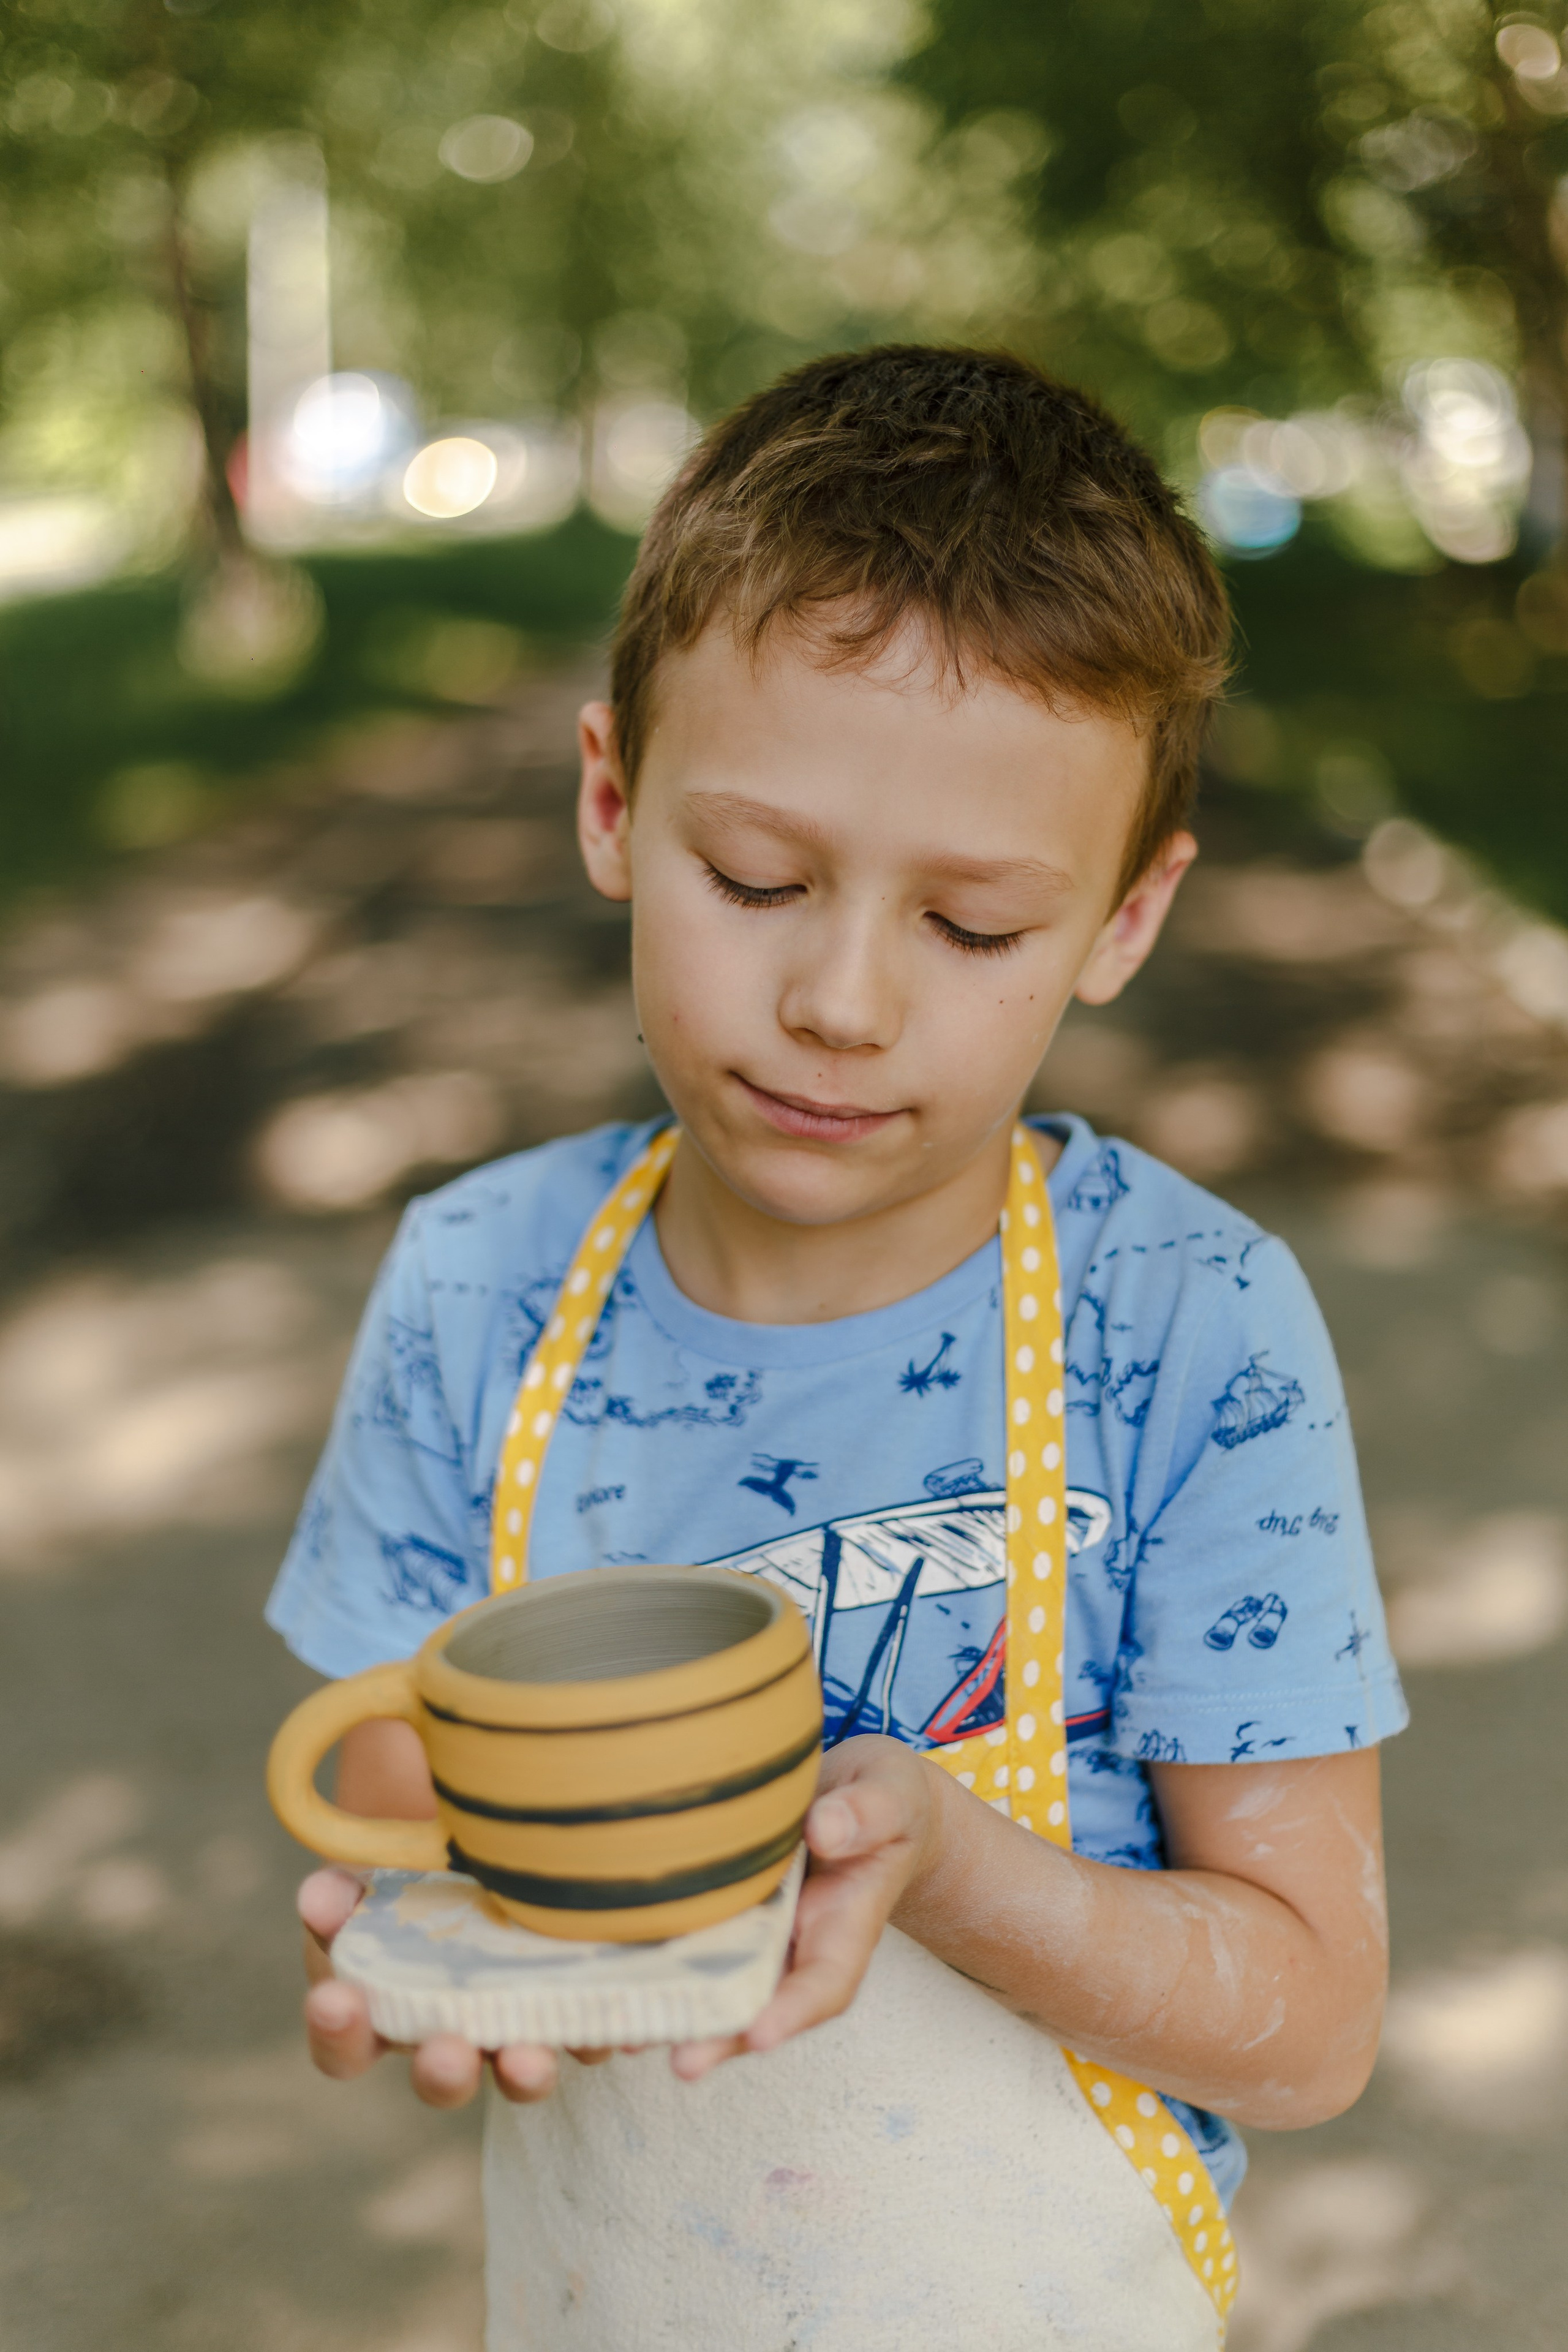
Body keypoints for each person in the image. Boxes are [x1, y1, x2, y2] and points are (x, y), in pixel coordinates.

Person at [268, 345, 1406, 2351]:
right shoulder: (478, 1286)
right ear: (615, 802)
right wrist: (440, 1918)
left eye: (974, 929)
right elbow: (385, 1752)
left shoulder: (1185, 1329)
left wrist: (953, 1869)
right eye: (759, 879)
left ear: (1122, 927)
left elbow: (1305, 2029)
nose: (844, 1001)